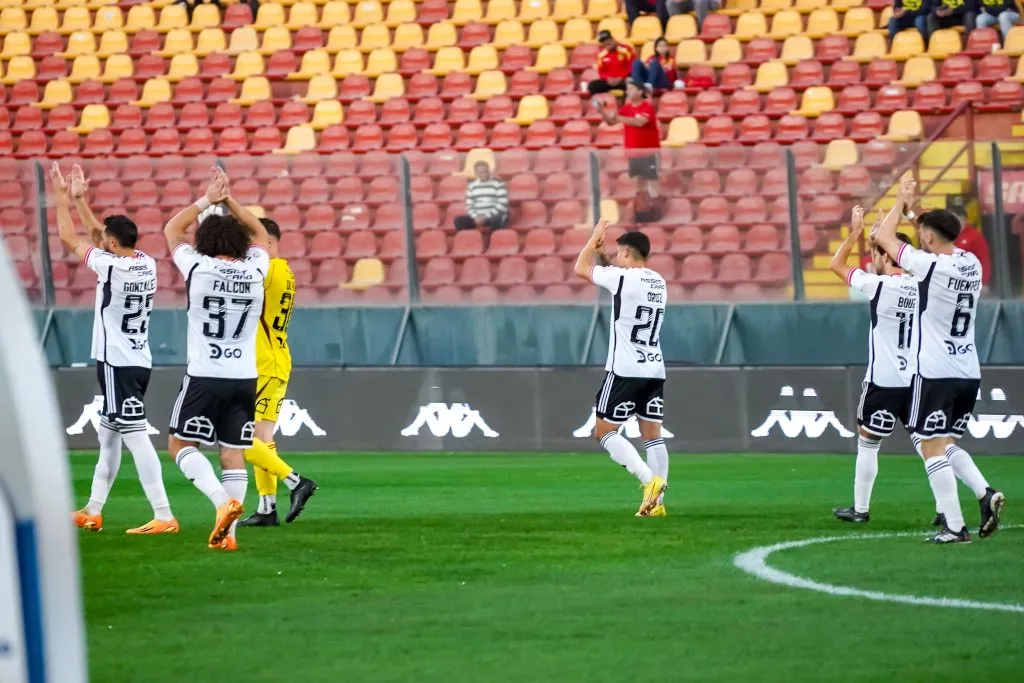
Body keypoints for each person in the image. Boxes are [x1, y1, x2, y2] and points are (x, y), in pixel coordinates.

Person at [873, 176, 1004, 544]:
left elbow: (884, 239)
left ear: (929, 239)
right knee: (946, 443)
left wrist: (899, 202)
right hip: (968, 369)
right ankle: (985, 494)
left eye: (922, 234)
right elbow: (931, 233)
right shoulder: (970, 262)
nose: (919, 237)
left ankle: (954, 526)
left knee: (929, 445)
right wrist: (916, 212)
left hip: (936, 370)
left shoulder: (929, 266)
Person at [52, 163, 177, 535]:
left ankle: (163, 514)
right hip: (138, 358)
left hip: (116, 362)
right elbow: (97, 235)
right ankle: (93, 509)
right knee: (108, 435)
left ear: (110, 244)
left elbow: (71, 238)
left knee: (135, 437)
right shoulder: (145, 263)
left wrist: (62, 201)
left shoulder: (111, 267)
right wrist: (81, 200)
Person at [163, 167, 271, 551]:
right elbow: (260, 233)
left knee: (179, 445)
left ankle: (220, 503)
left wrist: (207, 199)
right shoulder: (256, 269)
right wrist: (230, 202)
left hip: (205, 372)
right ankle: (230, 538)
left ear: (205, 241)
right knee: (232, 454)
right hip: (244, 376)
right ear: (240, 243)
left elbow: (172, 230)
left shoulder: (197, 266)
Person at [573, 219, 669, 517]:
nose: (615, 258)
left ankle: (649, 483)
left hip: (625, 369)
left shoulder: (622, 279)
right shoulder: (658, 281)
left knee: (603, 431)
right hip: (654, 368)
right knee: (652, 434)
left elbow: (580, 268)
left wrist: (593, 240)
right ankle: (656, 507)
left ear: (626, 253)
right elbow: (618, 275)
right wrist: (604, 257)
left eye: (617, 253)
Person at [829, 207, 919, 523]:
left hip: (884, 378)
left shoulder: (877, 286)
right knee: (929, 443)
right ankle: (944, 509)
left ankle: (861, 509)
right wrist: (878, 238)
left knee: (868, 439)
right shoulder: (921, 284)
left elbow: (836, 265)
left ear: (883, 257)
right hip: (918, 376)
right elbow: (886, 265)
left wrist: (855, 233)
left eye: (875, 254)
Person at [238, 217, 318, 527]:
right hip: (277, 358)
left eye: (253, 244)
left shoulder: (268, 270)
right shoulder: (284, 271)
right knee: (262, 436)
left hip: (263, 362)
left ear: (268, 243)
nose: (250, 252)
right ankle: (266, 508)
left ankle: (295, 481)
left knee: (238, 437)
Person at [595, 79, 661, 210]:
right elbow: (611, 122)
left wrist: (618, 117)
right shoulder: (627, 108)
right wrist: (602, 112)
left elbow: (639, 122)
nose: (627, 91)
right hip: (633, 151)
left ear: (640, 91)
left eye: (630, 89)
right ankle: (641, 210)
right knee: (638, 181)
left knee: (651, 181)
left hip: (649, 151)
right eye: (627, 89)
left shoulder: (647, 106)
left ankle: (656, 208)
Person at [454, 161, 508, 232]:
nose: (484, 174)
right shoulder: (472, 186)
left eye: (486, 171)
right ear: (476, 173)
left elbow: (502, 204)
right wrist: (475, 217)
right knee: (458, 221)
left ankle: (491, 241)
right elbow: (469, 205)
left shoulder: (498, 183)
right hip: (478, 217)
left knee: (496, 219)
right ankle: (472, 240)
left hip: (493, 216)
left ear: (489, 170)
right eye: (481, 172)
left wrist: (485, 216)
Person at [948, 203, 991, 287]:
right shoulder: (946, 236)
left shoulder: (975, 236)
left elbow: (984, 260)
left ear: (963, 219)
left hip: (970, 283)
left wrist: (983, 283)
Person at [587, 30, 635, 95]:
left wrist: (621, 77)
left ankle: (626, 104)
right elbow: (601, 71)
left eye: (608, 39)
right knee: (592, 86)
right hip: (609, 81)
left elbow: (632, 66)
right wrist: (608, 79)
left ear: (612, 39)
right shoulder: (601, 55)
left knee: (632, 84)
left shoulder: (626, 49)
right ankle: (603, 104)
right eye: (603, 41)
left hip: (623, 80)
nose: (606, 42)